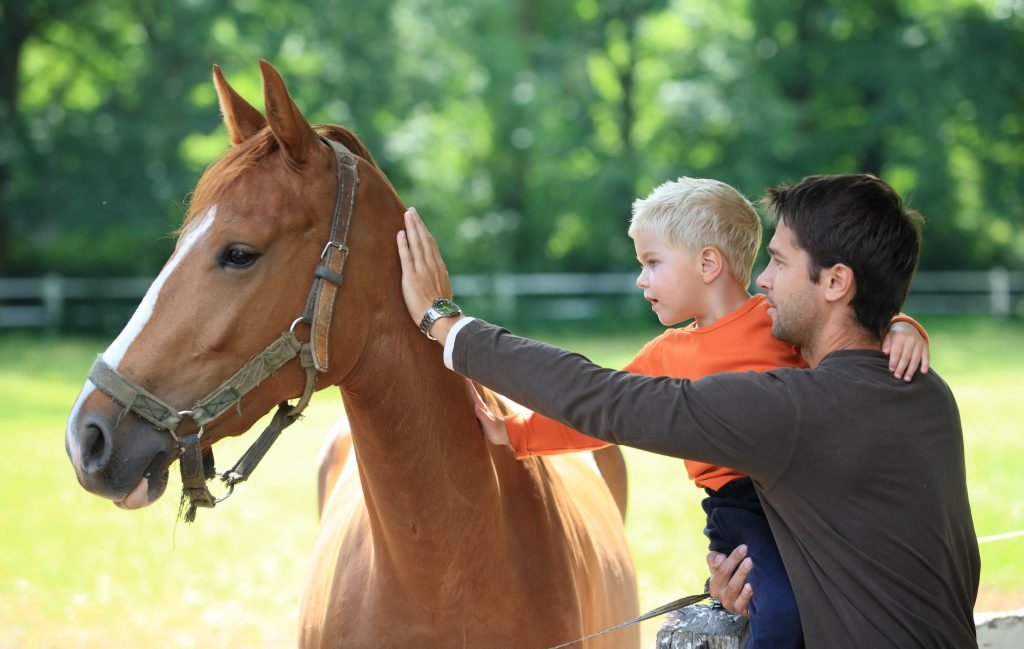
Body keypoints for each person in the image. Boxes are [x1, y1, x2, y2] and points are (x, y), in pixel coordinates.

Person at [396, 173, 980, 648]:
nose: (763, 278)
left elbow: (604, 401)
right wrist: (897, 322)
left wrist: (445, 323)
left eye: (777, 262)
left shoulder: (791, 407)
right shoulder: (927, 393)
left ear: (836, 281)